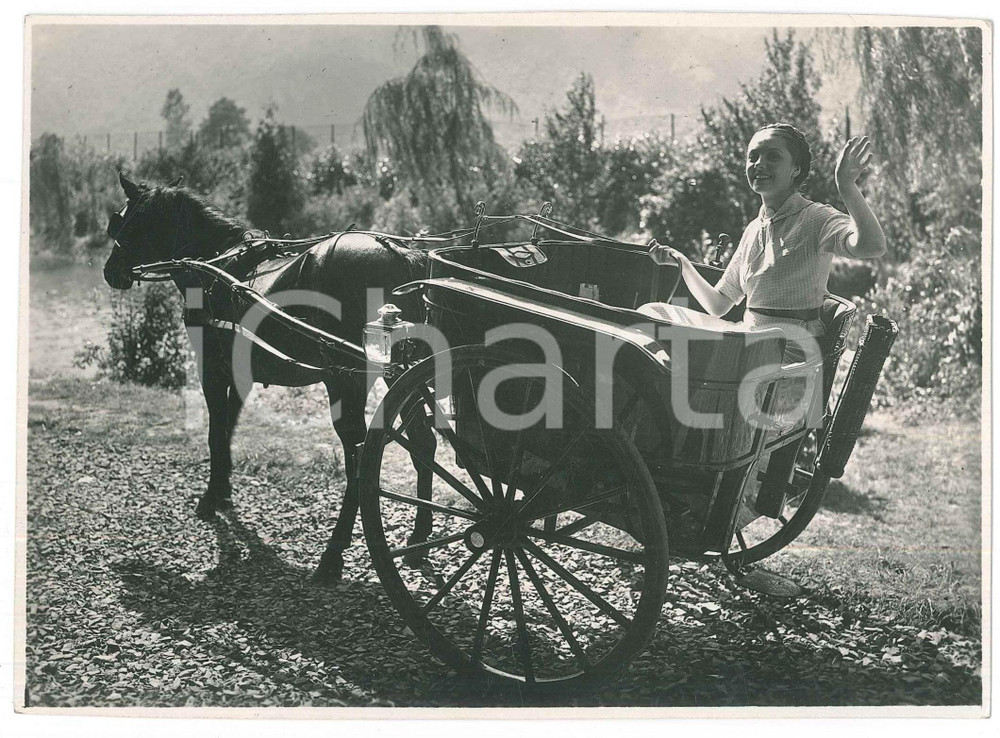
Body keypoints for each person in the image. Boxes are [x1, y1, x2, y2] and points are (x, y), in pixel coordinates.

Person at [643, 124, 886, 349]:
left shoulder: (815, 218)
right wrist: (682, 263)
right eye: (753, 157)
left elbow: (873, 246)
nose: (759, 164)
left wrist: (846, 185)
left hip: (789, 356)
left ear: (796, 169)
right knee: (654, 318)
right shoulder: (753, 230)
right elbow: (718, 305)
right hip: (749, 343)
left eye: (773, 156)